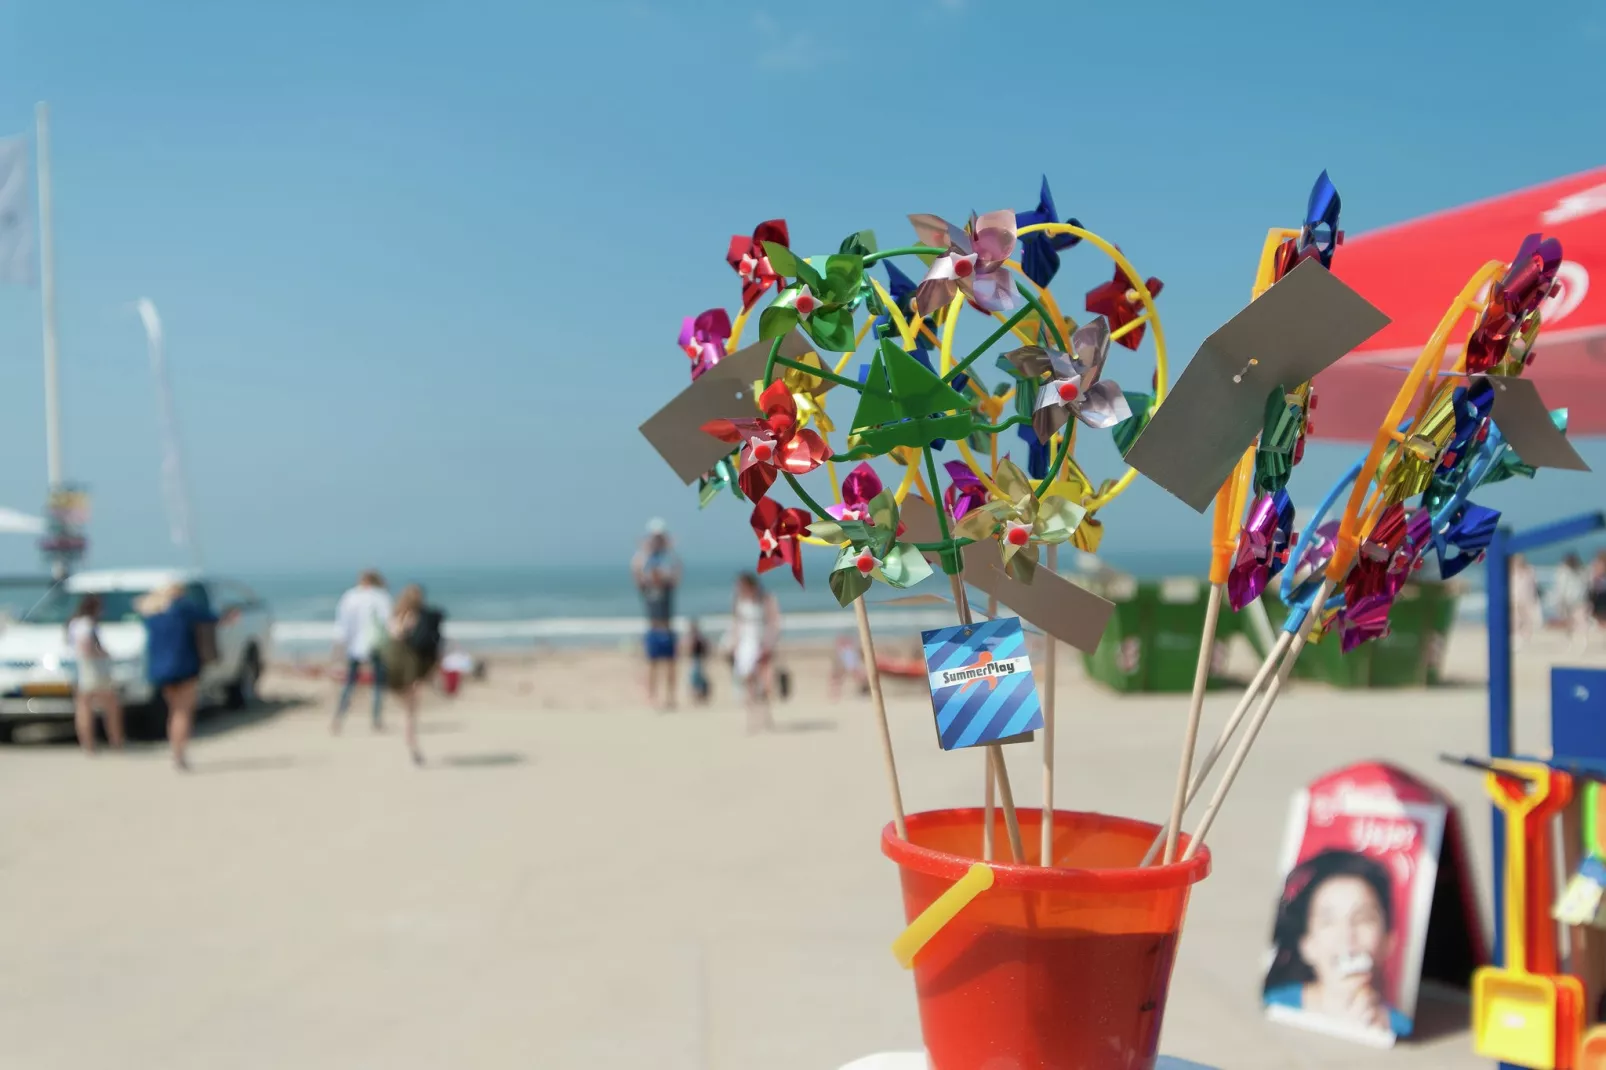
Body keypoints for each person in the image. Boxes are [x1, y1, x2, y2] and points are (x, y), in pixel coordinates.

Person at [1264, 849, 1411, 1036]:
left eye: (1364, 918)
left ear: (1388, 941)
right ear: (1306, 945)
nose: (1347, 936)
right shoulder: (1272, 1005)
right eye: (1328, 921)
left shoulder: (1401, 1030)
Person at [137, 583, 218, 772]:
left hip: (160, 669)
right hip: (184, 666)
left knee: (173, 711)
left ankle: (175, 751)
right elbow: (210, 617)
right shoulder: (183, 609)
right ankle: (179, 755)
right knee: (182, 712)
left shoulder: (152, 615)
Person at [380, 584, 443, 766]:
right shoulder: (413, 616)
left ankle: (412, 742)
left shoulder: (395, 614)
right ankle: (412, 742)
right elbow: (403, 635)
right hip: (407, 664)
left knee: (408, 707)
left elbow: (391, 635)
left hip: (393, 663)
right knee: (410, 709)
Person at [332, 569, 393, 733]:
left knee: (350, 682)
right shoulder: (381, 597)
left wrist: (340, 645)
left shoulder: (351, 596)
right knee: (378, 682)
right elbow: (389, 622)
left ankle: (338, 717)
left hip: (355, 644)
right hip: (376, 644)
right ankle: (376, 719)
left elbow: (343, 623)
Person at [632, 519, 682, 710]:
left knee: (670, 666)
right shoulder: (647, 588)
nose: (656, 574)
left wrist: (670, 549)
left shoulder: (668, 586)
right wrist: (644, 551)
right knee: (651, 666)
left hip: (667, 629)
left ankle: (670, 698)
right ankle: (652, 697)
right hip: (653, 629)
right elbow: (635, 570)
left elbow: (677, 570)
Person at [69, 594, 124, 753]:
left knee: (84, 705)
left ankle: (88, 744)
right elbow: (86, 646)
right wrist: (103, 654)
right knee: (111, 705)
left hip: (82, 668)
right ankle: (115, 740)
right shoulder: (88, 624)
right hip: (95, 668)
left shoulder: (74, 623)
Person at [730, 572, 781, 733]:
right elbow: (737, 625)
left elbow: (774, 622)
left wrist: (769, 643)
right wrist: (735, 645)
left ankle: (765, 716)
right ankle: (751, 718)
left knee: (764, 682)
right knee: (748, 682)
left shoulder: (765, 599)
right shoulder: (739, 601)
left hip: (761, 642)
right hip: (745, 644)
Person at [1552, 553, 1592, 652]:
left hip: (1570, 600)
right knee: (1579, 622)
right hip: (1577, 600)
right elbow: (1586, 586)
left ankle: (1573, 641)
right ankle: (1580, 641)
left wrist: (1559, 602)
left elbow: (1561, 588)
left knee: (1573, 623)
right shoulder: (1581, 572)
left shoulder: (1563, 572)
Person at [1512, 554, 1541, 649]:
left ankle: (1526, 637)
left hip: (1527, 598)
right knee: (1516, 619)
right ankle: (1517, 637)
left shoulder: (1530, 571)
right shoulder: (1512, 571)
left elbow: (1534, 586)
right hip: (1516, 598)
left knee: (1527, 619)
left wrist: (1535, 598)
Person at [686, 620, 710, 704]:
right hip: (696, 659)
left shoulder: (697, 638)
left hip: (697, 659)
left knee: (695, 678)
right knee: (696, 678)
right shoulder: (699, 637)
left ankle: (698, 696)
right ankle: (697, 696)